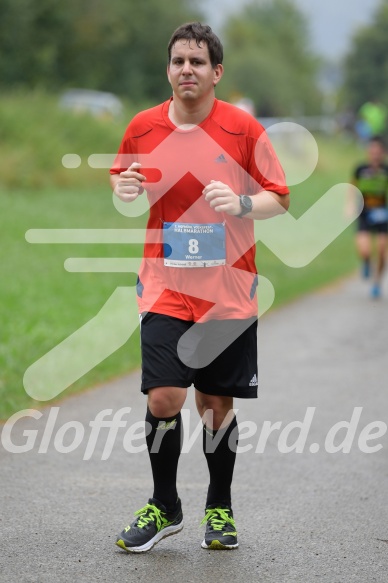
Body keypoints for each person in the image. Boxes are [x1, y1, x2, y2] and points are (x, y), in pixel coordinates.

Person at [110, 22, 289, 553]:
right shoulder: (143, 127)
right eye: (177, 61)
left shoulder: (243, 129)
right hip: (165, 285)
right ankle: (165, 504)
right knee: (164, 396)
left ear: (217, 72)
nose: (186, 69)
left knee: (214, 406)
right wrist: (123, 187)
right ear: (168, 70)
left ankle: (220, 506)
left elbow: (279, 197)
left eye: (196, 61)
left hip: (227, 292)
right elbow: (125, 187)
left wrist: (240, 204)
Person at [347, 136, 388, 298]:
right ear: (368, 152)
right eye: (372, 151)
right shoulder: (360, 169)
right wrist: (349, 205)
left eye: (378, 152)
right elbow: (352, 187)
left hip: (382, 213)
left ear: (383, 153)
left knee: (381, 250)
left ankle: (377, 282)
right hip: (364, 212)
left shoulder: (386, 170)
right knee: (364, 250)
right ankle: (365, 262)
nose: (375, 155)